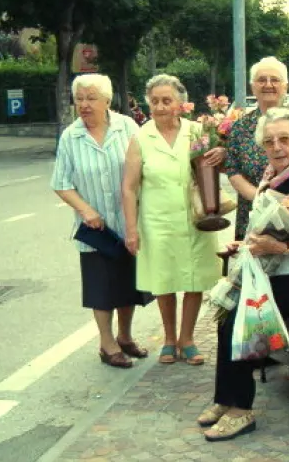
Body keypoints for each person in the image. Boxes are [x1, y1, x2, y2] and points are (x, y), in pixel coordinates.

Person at [198, 107, 289, 441]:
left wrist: (280, 250)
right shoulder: (273, 171)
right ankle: (225, 398)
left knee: (243, 317)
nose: (276, 147)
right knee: (225, 315)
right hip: (277, 265)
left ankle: (241, 411)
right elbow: (269, 224)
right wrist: (246, 245)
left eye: (284, 140)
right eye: (269, 141)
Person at [122, 74, 223, 365]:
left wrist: (220, 152)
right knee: (164, 280)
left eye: (167, 100)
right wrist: (132, 229)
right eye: (154, 101)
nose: (160, 106)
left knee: (193, 278)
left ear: (180, 103)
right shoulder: (141, 137)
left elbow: (212, 169)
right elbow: (129, 187)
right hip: (157, 221)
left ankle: (187, 339)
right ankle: (168, 339)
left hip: (194, 220)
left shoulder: (196, 131)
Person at [51, 74, 150, 369]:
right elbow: (61, 182)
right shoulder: (71, 136)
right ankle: (107, 345)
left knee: (128, 284)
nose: (83, 104)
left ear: (107, 100)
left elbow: (144, 167)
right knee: (101, 288)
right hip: (95, 231)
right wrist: (85, 210)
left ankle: (125, 337)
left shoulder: (127, 127)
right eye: (79, 98)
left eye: (91, 98)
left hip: (128, 223)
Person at [225, 56, 289, 242]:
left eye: (275, 80)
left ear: (285, 86)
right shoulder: (240, 127)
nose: (268, 85)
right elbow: (233, 170)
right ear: (253, 87)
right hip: (252, 215)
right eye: (261, 80)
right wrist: (261, 200)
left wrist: (282, 205)